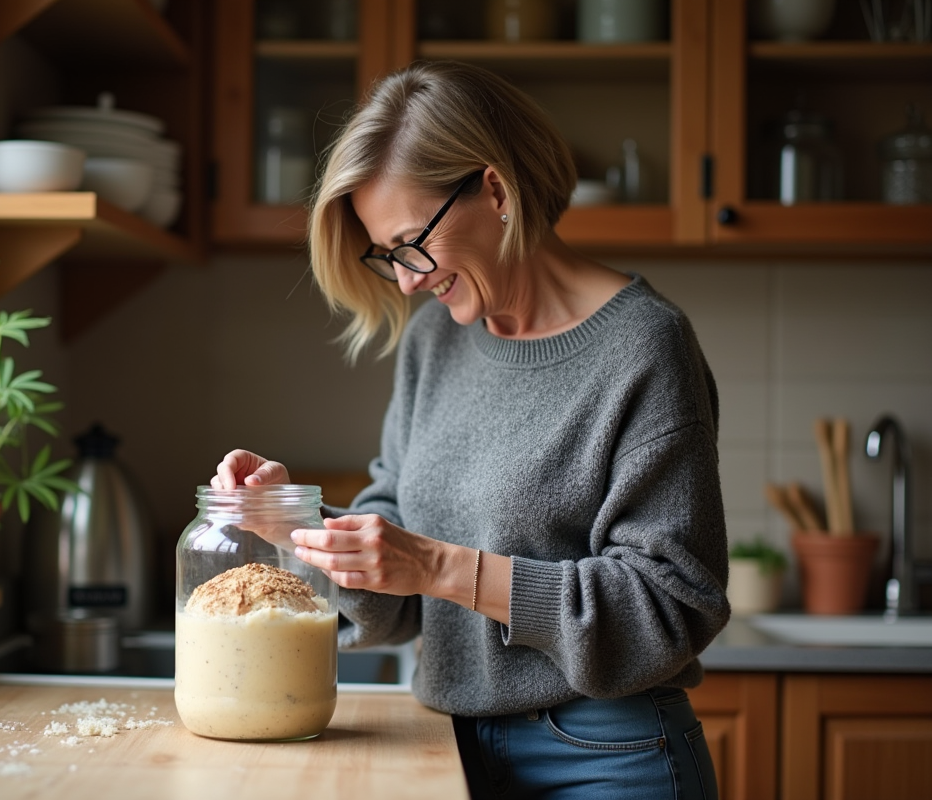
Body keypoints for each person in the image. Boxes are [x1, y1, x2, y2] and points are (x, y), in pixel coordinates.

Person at [210, 61, 729, 800]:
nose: (406, 280)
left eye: (411, 242)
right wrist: (298, 524)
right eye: (386, 255)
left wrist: (437, 567)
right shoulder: (435, 342)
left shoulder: (645, 347)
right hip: (446, 742)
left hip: (604, 754)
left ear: (495, 191)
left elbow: (671, 604)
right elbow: (396, 599)